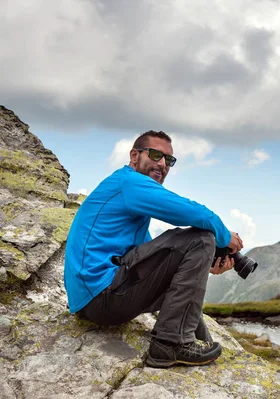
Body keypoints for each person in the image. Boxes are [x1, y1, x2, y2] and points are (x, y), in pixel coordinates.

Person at [64, 130, 243, 368]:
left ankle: (198, 342)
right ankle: (169, 344)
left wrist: (204, 264)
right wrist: (224, 237)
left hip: (94, 301)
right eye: (156, 155)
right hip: (100, 296)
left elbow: (150, 255)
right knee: (202, 237)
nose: (162, 164)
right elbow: (197, 213)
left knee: (197, 251)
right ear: (134, 155)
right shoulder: (129, 183)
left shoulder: (129, 196)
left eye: (169, 160)